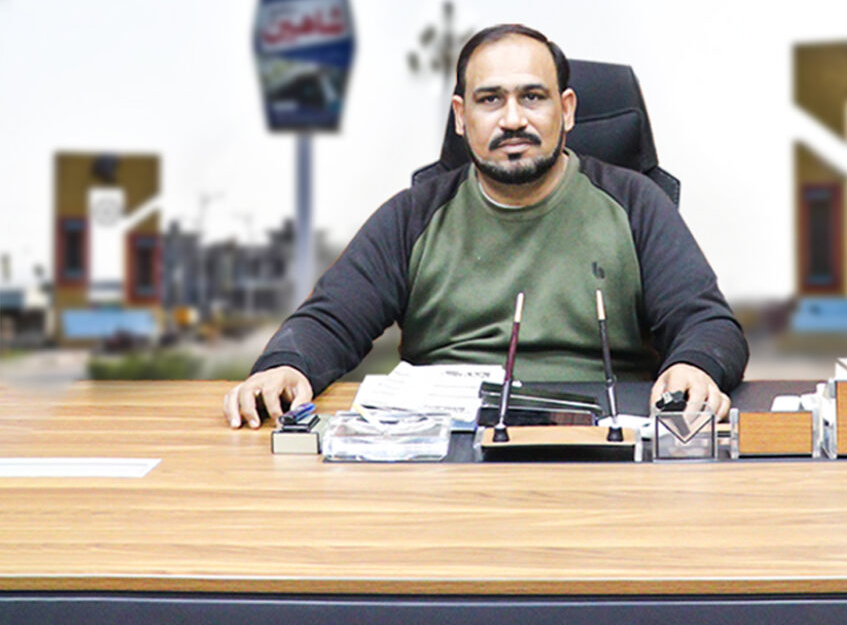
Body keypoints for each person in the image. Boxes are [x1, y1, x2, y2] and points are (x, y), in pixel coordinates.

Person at [223, 24, 748, 429]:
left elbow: (707, 323)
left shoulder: (633, 203)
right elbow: (331, 319)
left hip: (599, 439)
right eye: (490, 99)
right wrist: (287, 366)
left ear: (567, 110)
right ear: (461, 116)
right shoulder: (414, 215)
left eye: (533, 97)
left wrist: (695, 366)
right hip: (445, 446)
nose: (513, 119)